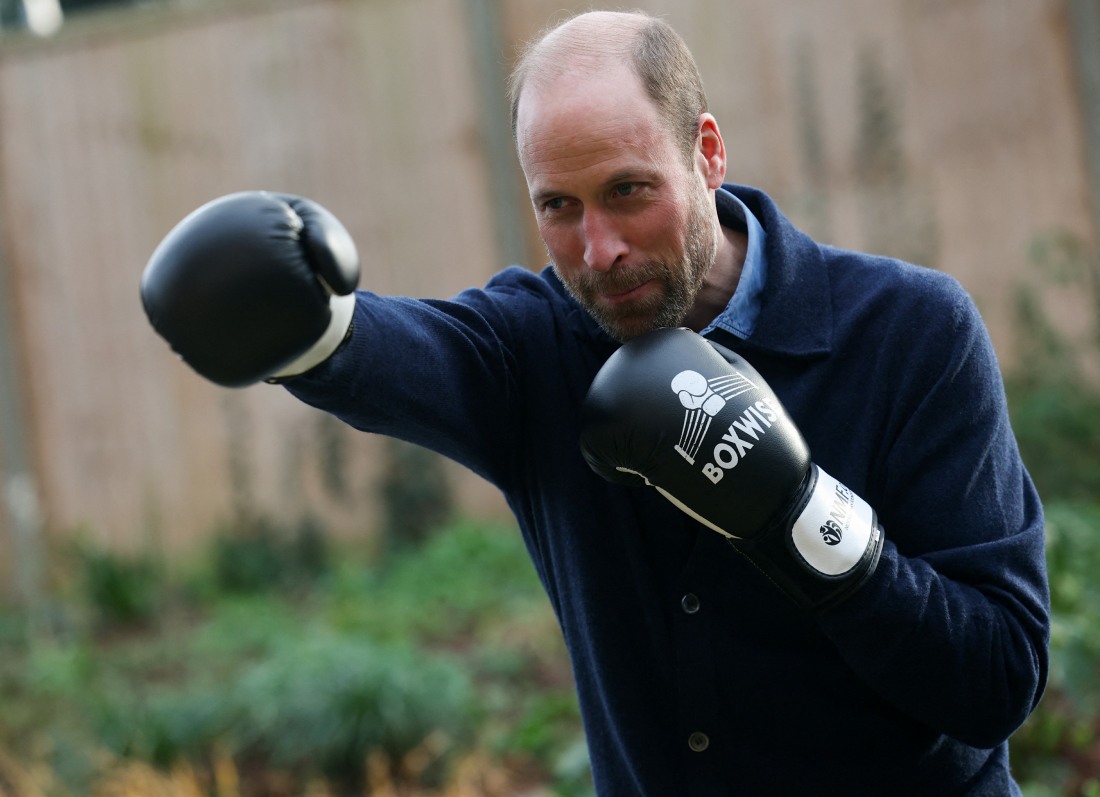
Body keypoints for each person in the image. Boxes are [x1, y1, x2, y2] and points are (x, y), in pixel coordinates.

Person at [140, 9, 1050, 795]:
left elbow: (998, 678)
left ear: (707, 153)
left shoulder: (909, 331)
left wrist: (805, 520)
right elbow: (408, 355)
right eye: (559, 207)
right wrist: (311, 326)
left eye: (627, 191)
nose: (599, 249)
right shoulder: (537, 349)